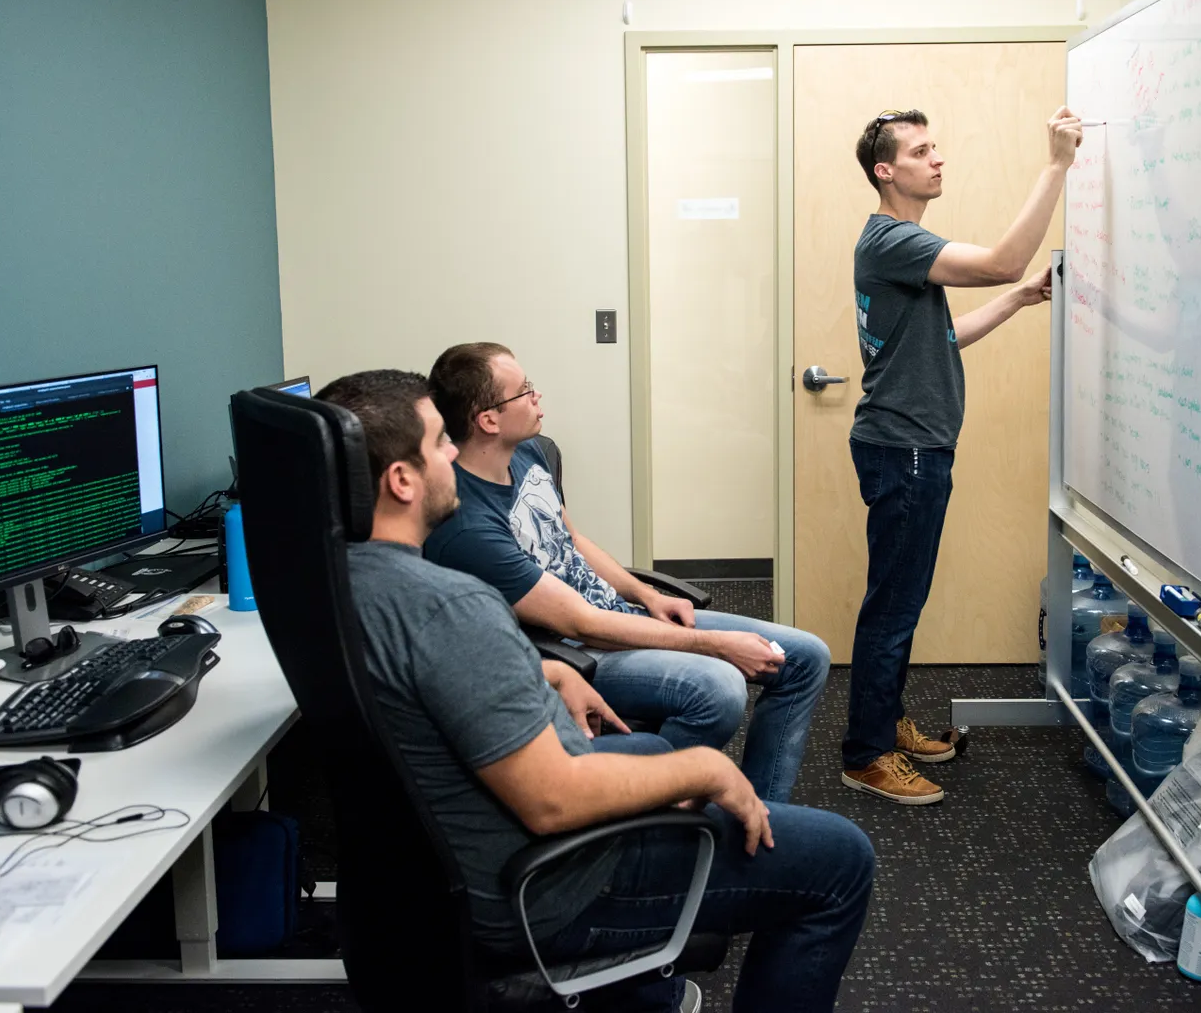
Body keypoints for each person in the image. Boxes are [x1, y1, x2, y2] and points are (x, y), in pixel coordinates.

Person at [316, 369, 874, 1013]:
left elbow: (418, 684)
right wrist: (707, 766)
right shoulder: (448, 604)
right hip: (542, 888)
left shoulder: (330, 578)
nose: (453, 455)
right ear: (401, 480)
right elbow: (552, 802)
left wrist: (541, 670)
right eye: (441, 441)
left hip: (428, 878)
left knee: (651, 758)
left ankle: (635, 988)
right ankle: (628, 952)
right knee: (841, 861)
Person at [422, 343, 830, 804]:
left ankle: (764, 813)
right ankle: (630, 811)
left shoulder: (527, 453)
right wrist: (715, 645)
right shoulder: (468, 526)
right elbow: (582, 624)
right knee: (719, 687)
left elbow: (570, 537)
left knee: (805, 657)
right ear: (488, 420)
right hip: (574, 649)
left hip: (612, 614)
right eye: (525, 391)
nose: (537, 397)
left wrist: (645, 594)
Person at [841, 107, 1080, 804]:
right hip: (905, 451)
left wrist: (1012, 303)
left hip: (909, 447)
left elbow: (938, 342)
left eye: (935, 146)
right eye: (921, 151)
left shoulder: (901, 245)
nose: (937, 158)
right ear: (886, 171)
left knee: (899, 601)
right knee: (893, 606)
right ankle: (865, 754)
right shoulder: (891, 240)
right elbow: (1004, 257)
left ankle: (883, 723)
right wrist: (1056, 165)